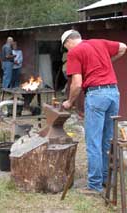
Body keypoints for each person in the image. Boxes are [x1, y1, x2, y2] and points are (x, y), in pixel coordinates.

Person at [61, 29, 127, 194]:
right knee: (107, 140)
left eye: (65, 47)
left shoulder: (74, 52)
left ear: (68, 42)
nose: (67, 50)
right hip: (113, 93)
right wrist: (106, 61)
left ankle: (94, 185)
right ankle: (106, 179)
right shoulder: (99, 42)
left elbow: (76, 84)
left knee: (93, 142)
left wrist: (69, 102)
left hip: (97, 95)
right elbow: (123, 47)